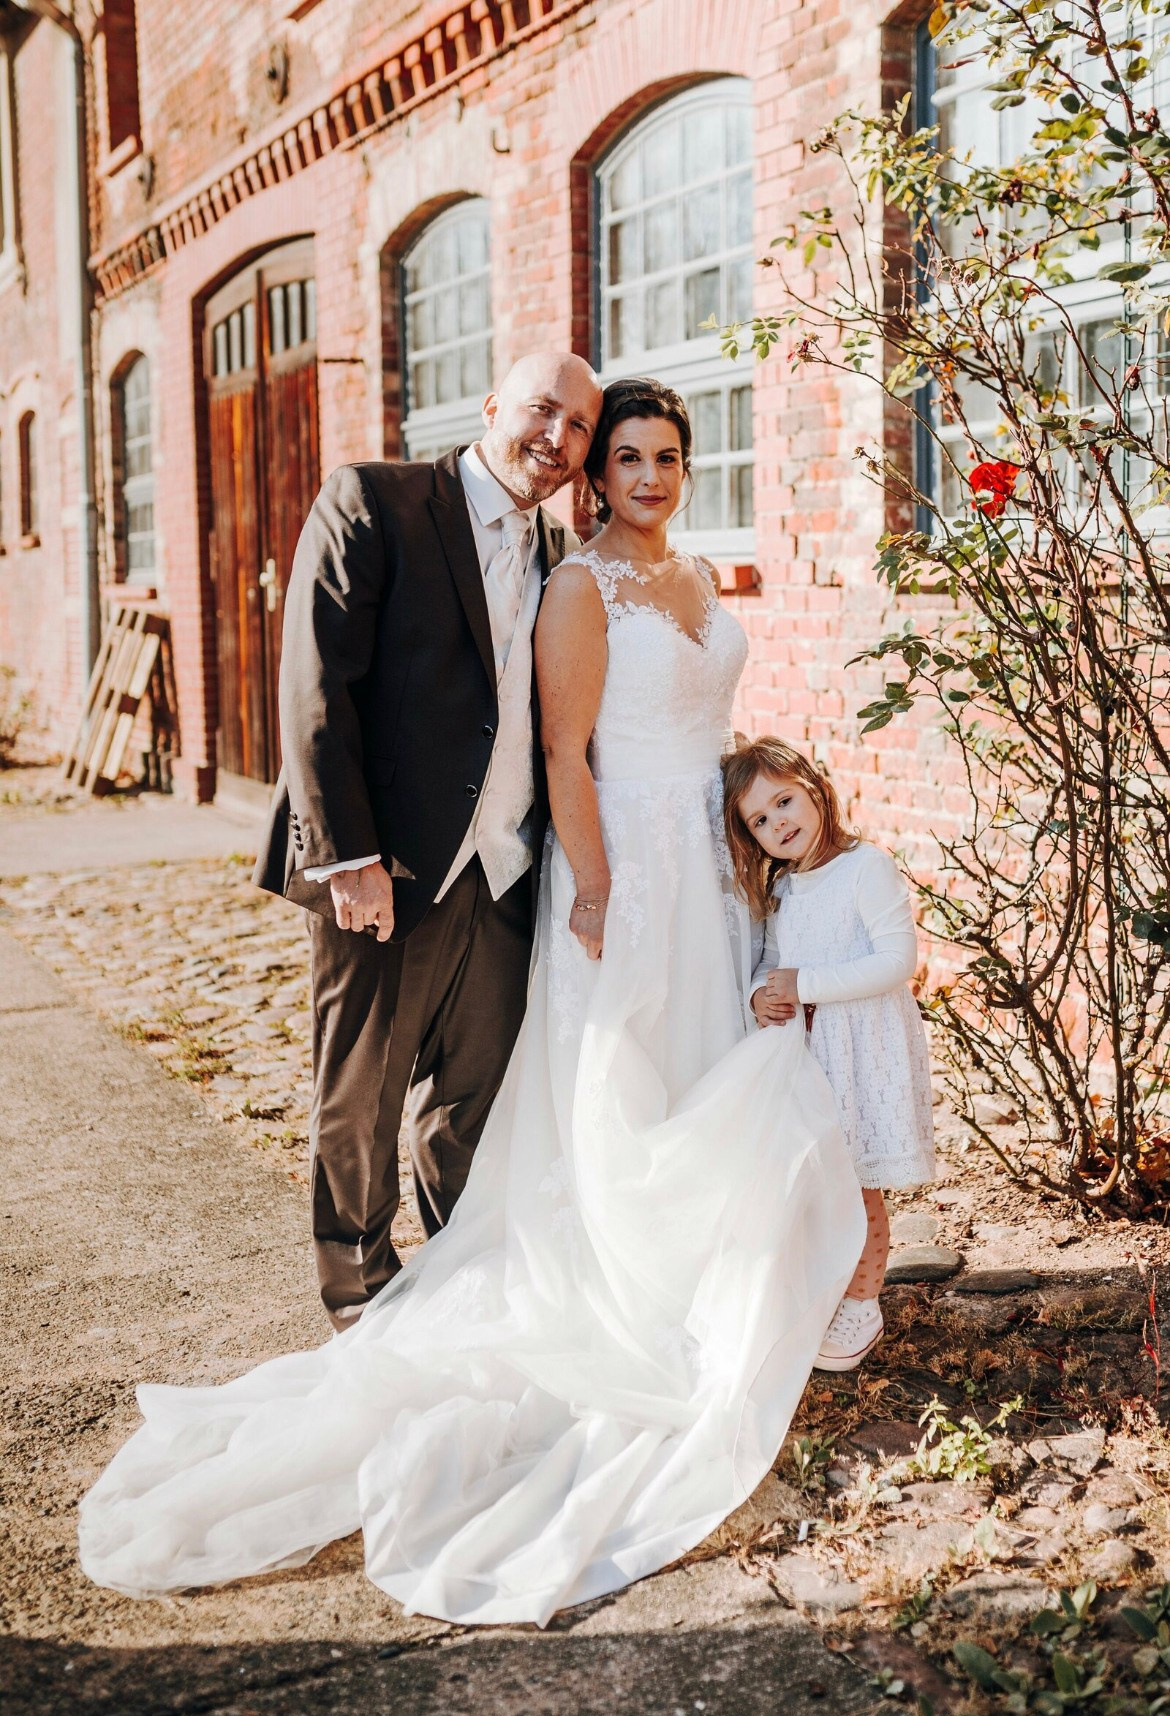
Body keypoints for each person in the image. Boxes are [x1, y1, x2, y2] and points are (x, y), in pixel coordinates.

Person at [78, 379, 865, 1628]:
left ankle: (660, 1265)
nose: (637, 470)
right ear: (536, 430)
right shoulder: (439, 523)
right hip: (465, 862)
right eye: (613, 448)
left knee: (520, 1082)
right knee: (371, 1081)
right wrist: (572, 879)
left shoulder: (656, 569)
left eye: (665, 453)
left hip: (657, 867)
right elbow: (359, 693)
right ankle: (360, 1291)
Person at [253, 352, 603, 1329]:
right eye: (543, 410)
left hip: (501, 872)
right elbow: (314, 685)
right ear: (492, 405)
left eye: (579, 427)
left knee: (472, 1097)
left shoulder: (552, 554)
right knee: (359, 1095)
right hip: (388, 869)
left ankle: (459, 1277)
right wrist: (347, 858)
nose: (558, 439)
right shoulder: (376, 500)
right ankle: (358, 1293)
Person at [723, 737, 936, 1372]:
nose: (778, 822)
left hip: (862, 1050)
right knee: (815, 1179)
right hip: (810, 1055)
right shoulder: (784, 888)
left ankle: (863, 1300)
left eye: (784, 801)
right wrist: (762, 994)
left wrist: (805, 985)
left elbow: (898, 961)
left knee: (859, 1181)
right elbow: (770, 960)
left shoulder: (865, 867)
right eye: (759, 821)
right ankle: (821, 1286)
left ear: (815, 789)